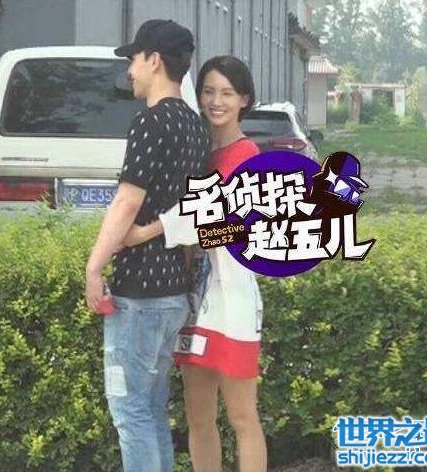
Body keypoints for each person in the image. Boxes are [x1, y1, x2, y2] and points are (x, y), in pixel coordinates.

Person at [120, 55, 268, 472]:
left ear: (244, 99)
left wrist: (149, 232)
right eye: (208, 91)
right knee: (198, 417)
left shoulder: (248, 156)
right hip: (193, 302)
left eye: (227, 93)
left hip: (234, 303)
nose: (216, 101)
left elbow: (232, 229)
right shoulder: (197, 149)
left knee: (242, 417)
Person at [85, 19, 210, 472]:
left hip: (138, 295)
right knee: (152, 410)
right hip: (173, 293)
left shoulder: (150, 122)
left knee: (130, 411)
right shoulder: (196, 127)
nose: (130, 71)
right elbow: (197, 213)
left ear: (154, 60)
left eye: (135, 60)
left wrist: (94, 268)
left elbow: (126, 201)